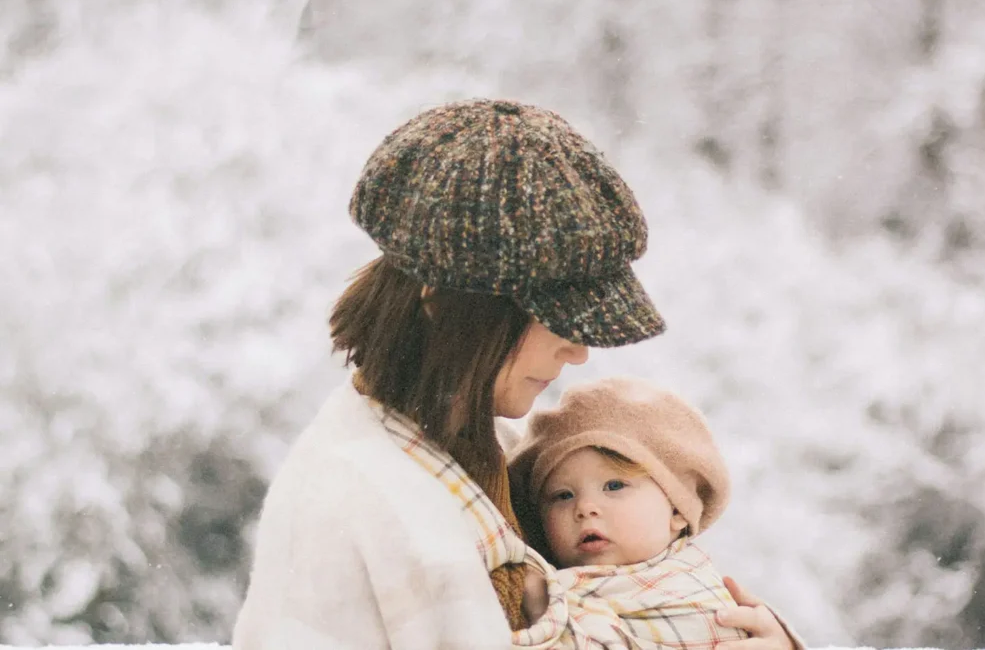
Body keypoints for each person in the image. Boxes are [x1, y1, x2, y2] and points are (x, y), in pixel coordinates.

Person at [231, 98, 799, 649]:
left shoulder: (478, 455)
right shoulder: (380, 509)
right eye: (557, 317)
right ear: (443, 301)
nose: (578, 352)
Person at [508, 377, 800, 648]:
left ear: (678, 509)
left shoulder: (691, 593)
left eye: (614, 485)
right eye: (563, 496)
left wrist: (543, 602)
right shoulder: (545, 577)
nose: (584, 508)